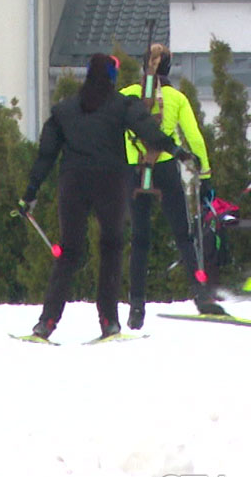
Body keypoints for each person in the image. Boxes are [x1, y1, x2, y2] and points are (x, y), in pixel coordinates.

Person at [23, 54, 193, 340]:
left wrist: (29, 193)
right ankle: (109, 322)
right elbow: (148, 130)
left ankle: (47, 322)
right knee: (111, 248)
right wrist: (175, 150)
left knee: (69, 253)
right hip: (109, 183)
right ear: (113, 78)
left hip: (73, 184)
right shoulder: (121, 105)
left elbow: (46, 156)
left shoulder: (64, 109)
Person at [121, 44, 224, 329]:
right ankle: (201, 295)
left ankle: (136, 307)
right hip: (165, 169)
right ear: (169, 68)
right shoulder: (176, 98)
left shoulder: (127, 95)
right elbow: (195, 138)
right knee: (184, 236)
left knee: (139, 240)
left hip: (135, 170)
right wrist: (205, 173)